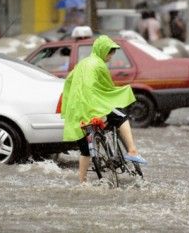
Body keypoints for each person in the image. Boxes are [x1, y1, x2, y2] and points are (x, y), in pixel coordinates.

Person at [61, 35, 147, 183]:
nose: (111, 56)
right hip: (93, 106)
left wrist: (69, 103)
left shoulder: (82, 63)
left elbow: (68, 81)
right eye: (109, 52)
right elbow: (108, 88)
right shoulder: (99, 64)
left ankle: (82, 182)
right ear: (101, 50)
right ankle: (132, 150)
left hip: (77, 110)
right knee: (122, 117)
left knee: (85, 150)